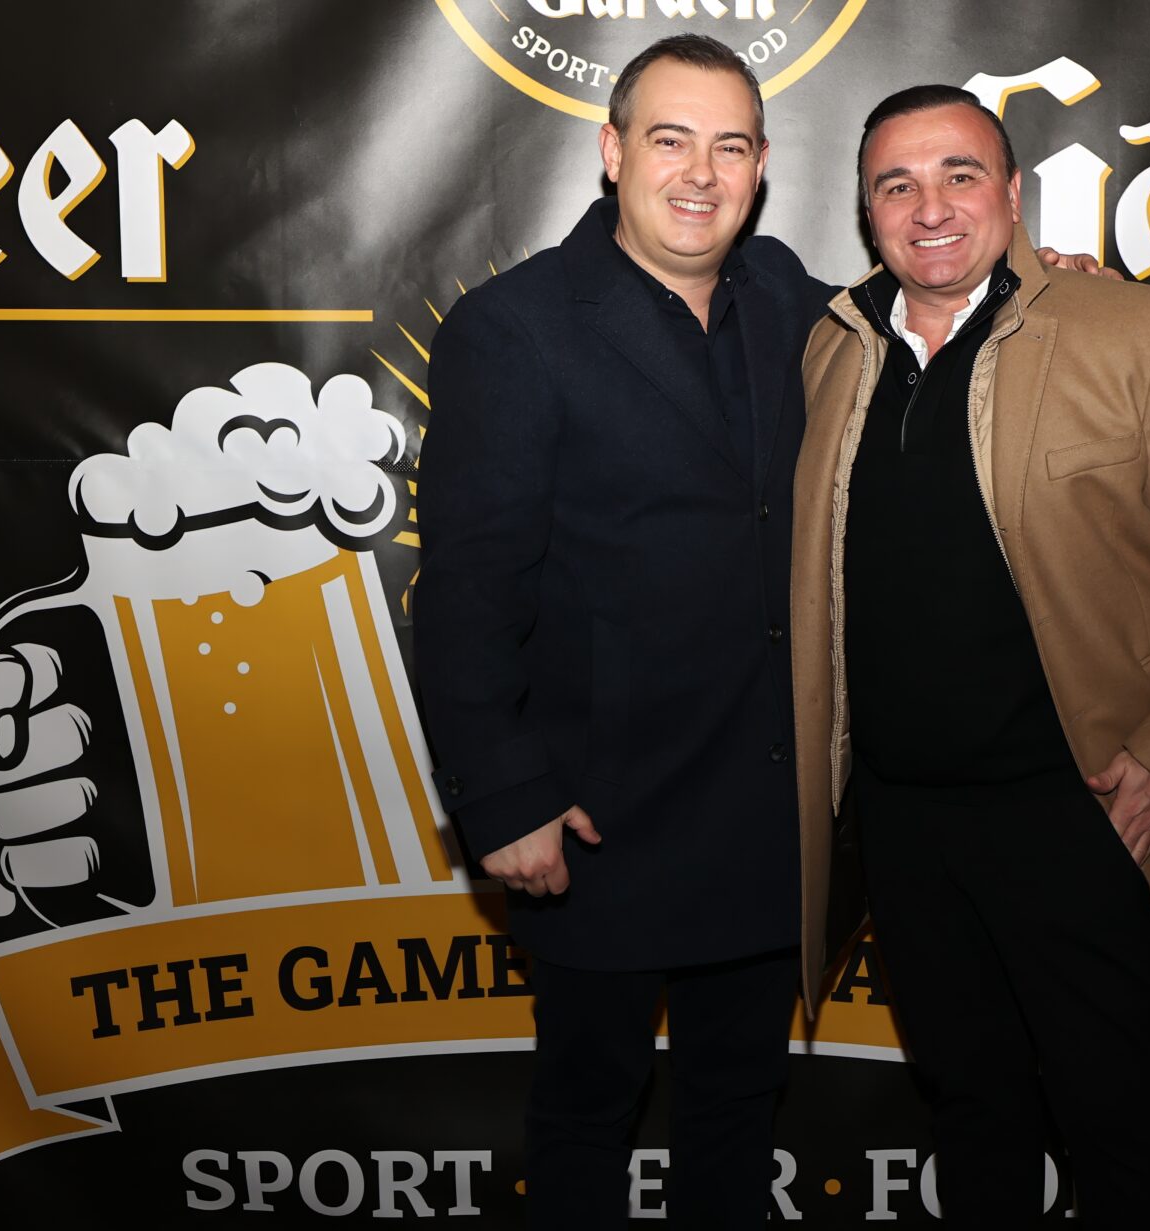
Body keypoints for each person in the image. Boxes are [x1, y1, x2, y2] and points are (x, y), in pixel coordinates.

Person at [416, 42, 1108, 1225]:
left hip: (761, 810)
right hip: (596, 814)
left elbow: (935, 296)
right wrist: (504, 794)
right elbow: (465, 590)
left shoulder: (788, 296)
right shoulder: (513, 327)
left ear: (762, 165)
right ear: (611, 153)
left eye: (729, 145)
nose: (701, 172)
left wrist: (1047, 283)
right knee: (585, 1108)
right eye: (671, 140)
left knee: (738, 1108)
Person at [789, 85, 1150, 1223]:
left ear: (1011, 192)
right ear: (866, 211)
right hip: (901, 822)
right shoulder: (833, 350)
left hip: (1074, 811)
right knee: (969, 1110)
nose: (930, 207)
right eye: (897, 185)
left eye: (959, 175)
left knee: (1112, 1115)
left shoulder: (1128, 331)